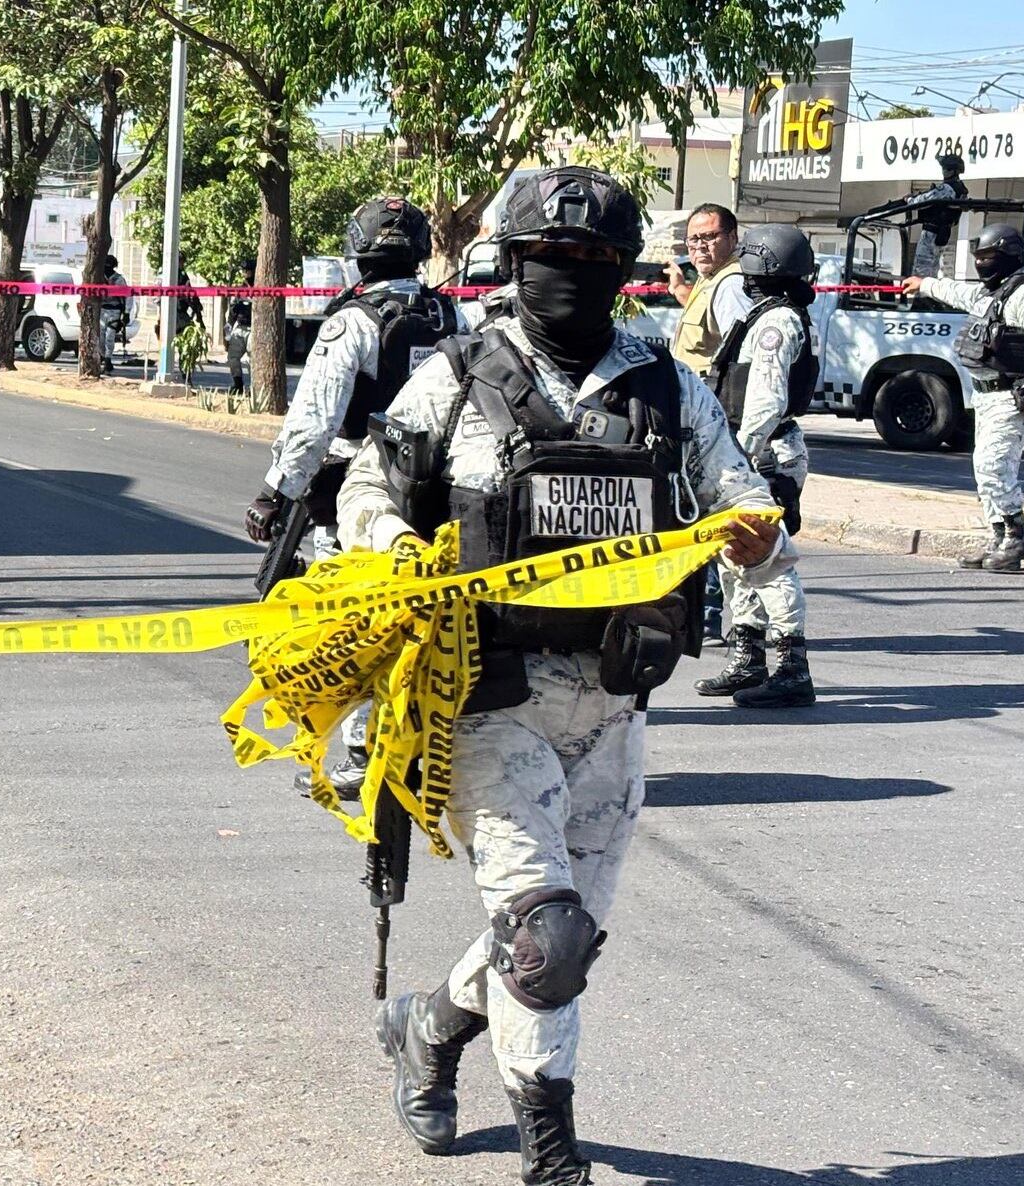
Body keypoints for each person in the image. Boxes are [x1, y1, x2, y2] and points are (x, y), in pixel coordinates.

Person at [338, 166, 788, 1184]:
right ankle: (553, 1162)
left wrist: (755, 538)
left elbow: (741, 497)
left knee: (559, 940)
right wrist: (391, 546)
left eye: (591, 261)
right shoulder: (456, 373)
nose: (569, 276)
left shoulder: (663, 386)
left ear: (620, 272)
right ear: (514, 260)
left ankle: (430, 1026)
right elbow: (367, 484)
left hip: (612, 707)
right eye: (550, 258)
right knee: (543, 937)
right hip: (485, 701)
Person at [245, 195, 462, 796]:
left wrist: (274, 492)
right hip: (434, 492)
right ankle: (421, 743)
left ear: (357, 251)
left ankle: (366, 754)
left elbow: (314, 422)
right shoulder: (452, 319)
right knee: (423, 618)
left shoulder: (353, 322)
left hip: (356, 494)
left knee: (359, 624)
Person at [695, 224, 820, 707]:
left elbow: (764, 404)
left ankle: (792, 668)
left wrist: (736, 455)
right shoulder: (773, 315)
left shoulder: (774, 324)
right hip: (756, 455)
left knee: (769, 564)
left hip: (762, 458)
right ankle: (748, 659)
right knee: (738, 561)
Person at [900, 225, 1024, 571]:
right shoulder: (998, 290)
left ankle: (1018, 537)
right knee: (984, 469)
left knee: (994, 466)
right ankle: (1000, 538)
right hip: (987, 396)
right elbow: (960, 293)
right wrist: (924, 284)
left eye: (988, 257)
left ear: (1010, 257)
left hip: (1011, 397)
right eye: (978, 257)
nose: (981, 264)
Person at [664, 202, 751, 375]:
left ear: (732, 237)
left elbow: (742, 356)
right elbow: (707, 316)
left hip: (711, 394)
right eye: (693, 239)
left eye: (709, 237)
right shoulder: (711, 275)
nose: (700, 246)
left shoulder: (731, 284)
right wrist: (678, 287)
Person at [223, 275, 252, 398]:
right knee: (232, 357)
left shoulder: (261, 287)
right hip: (240, 328)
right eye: (245, 271)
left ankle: (253, 388)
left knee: (253, 360)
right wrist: (228, 332)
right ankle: (238, 385)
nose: (246, 274)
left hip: (254, 329)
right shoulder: (240, 289)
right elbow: (232, 311)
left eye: (248, 271)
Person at [100, 254, 131, 366]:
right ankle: (103, 356)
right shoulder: (99, 278)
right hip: (102, 310)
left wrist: (126, 313)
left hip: (115, 310)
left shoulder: (119, 280)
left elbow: (128, 296)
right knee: (101, 336)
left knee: (110, 335)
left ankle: (108, 358)